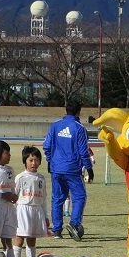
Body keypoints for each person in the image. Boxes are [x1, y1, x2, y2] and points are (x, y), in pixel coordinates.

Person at [43, 100, 93, 241]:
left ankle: (57, 230)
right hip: (72, 168)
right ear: (79, 111)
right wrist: (89, 168)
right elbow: (83, 151)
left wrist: (49, 161)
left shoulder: (55, 125)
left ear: (66, 110)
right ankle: (74, 223)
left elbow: (46, 146)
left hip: (56, 168)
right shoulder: (79, 128)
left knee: (57, 198)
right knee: (79, 196)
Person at [12, 146, 50, 257]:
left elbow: (44, 199)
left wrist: (45, 216)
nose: (34, 163)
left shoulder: (41, 178)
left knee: (32, 239)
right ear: (25, 162)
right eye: (31, 160)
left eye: (36, 160)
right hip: (23, 210)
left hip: (37, 210)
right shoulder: (20, 178)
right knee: (20, 237)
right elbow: (13, 196)